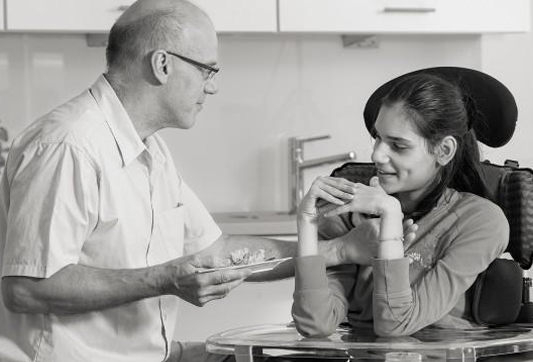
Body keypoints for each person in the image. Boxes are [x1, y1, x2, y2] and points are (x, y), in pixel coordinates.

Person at [0, 1, 397, 361]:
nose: (213, 85)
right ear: (163, 64)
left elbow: (217, 251)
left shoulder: (149, 150)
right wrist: (166, 278)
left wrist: (338, 251)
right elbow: (27, 289)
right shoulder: (69, 145)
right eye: (207, 69)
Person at [291, 72, 509, 338]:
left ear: (444, 151)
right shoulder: (348, 213)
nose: (377, 155)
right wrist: (306, 222)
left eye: (398, 145)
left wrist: (391, 216)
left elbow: (395, 324)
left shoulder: (481, 221)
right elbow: (315, 325)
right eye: (378, 138)